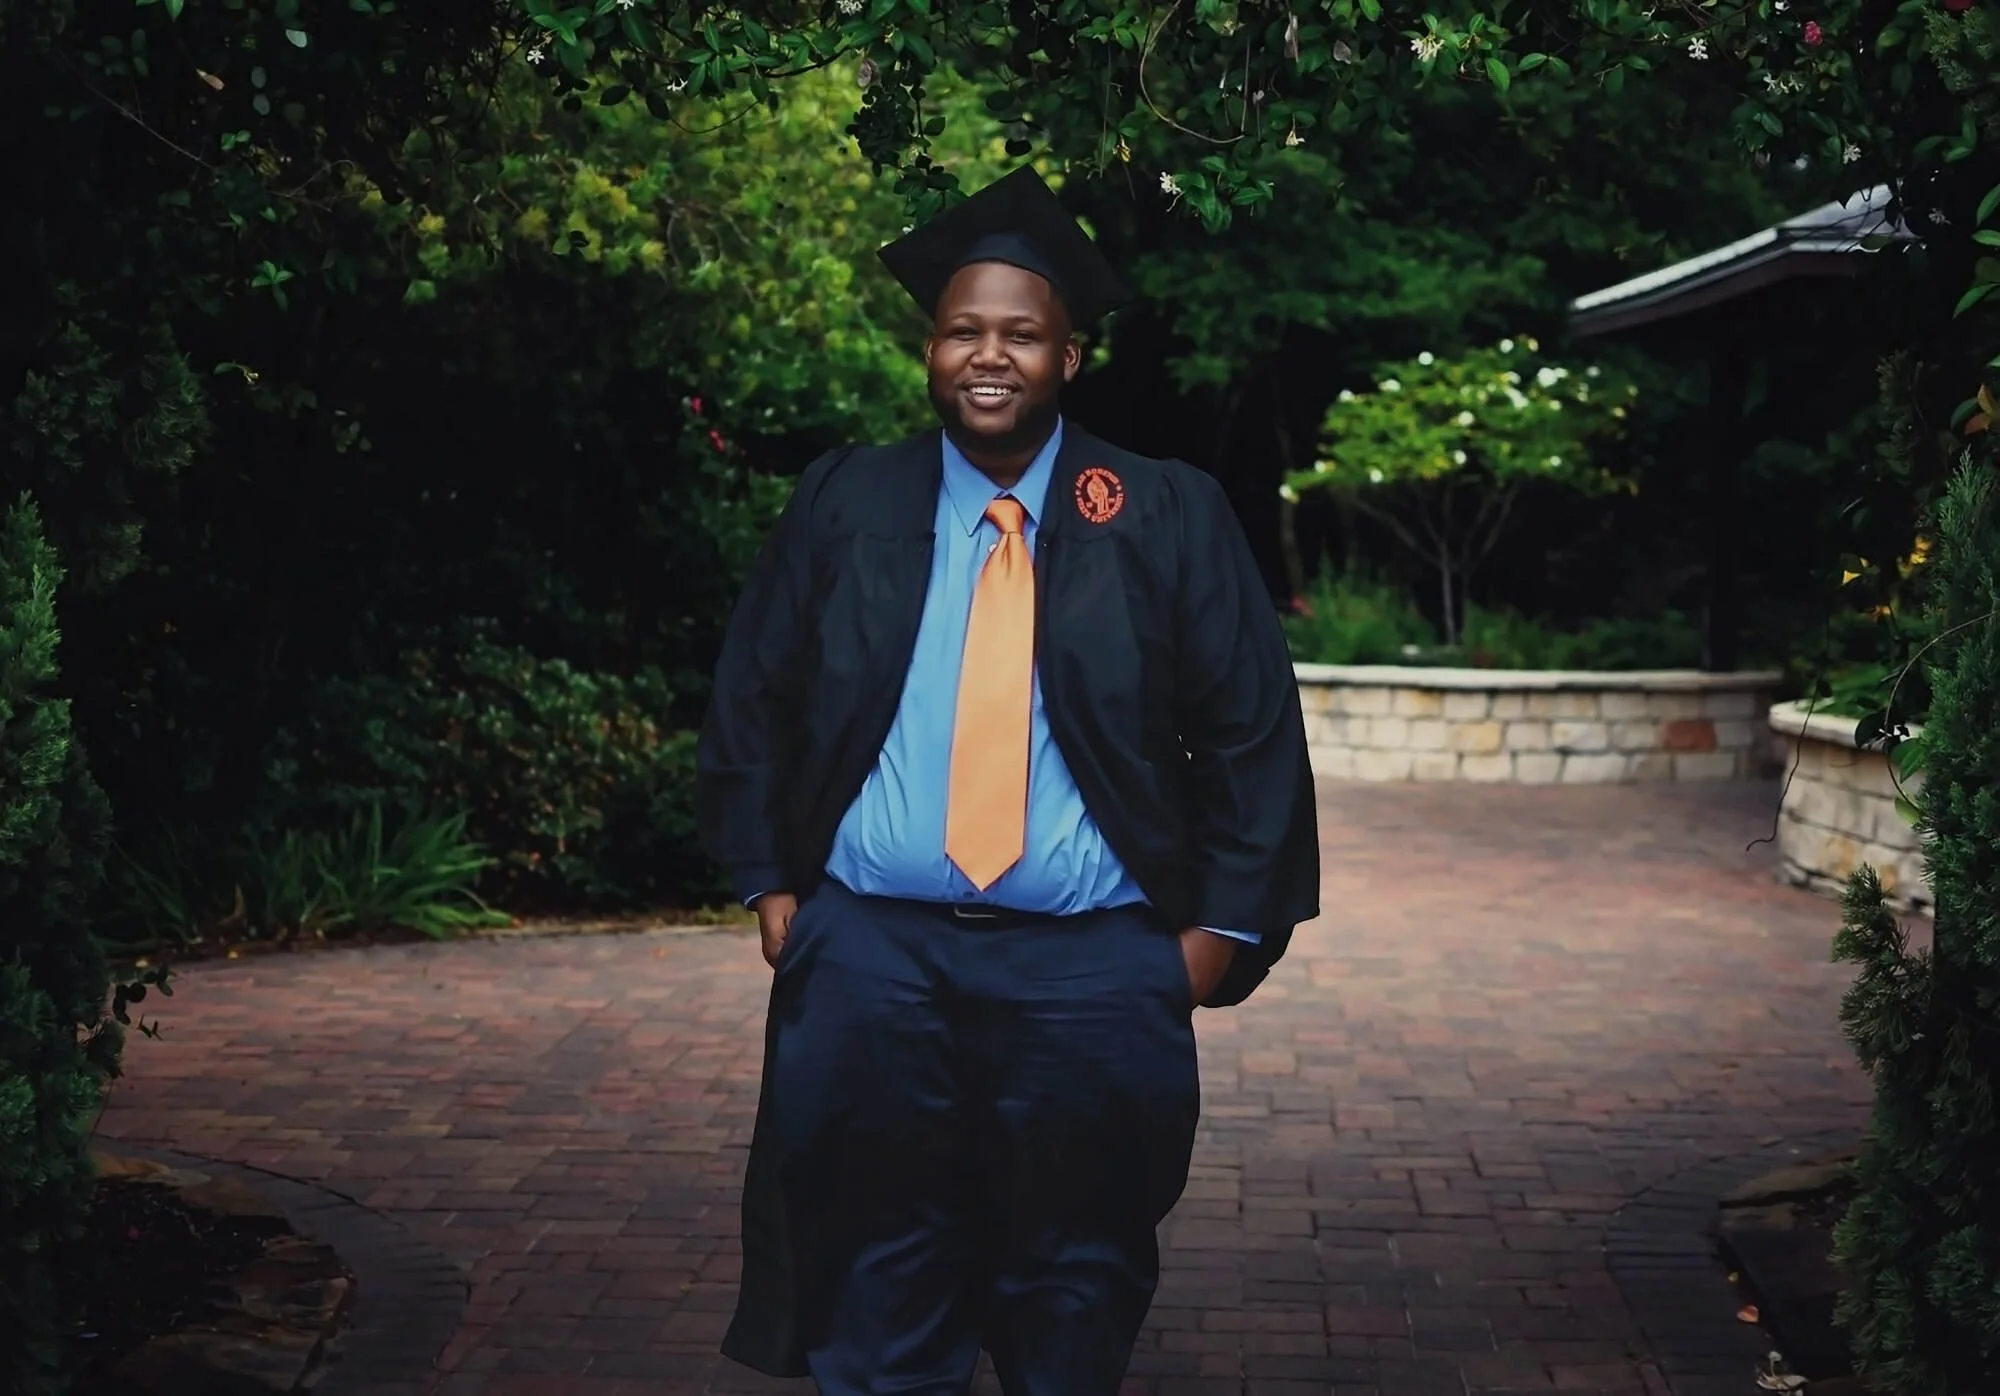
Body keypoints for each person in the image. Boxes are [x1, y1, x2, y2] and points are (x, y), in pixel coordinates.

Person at [696, 164, 1319, 1396]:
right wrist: (774, 892)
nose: (990, 355)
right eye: (963, 330)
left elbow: (1253, 734)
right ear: (930, 348)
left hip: (1088, 966)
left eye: (1020, 334)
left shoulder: (1162, 509)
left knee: (1072, 1280)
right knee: (872, 1262)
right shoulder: (845, 498)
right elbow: (751, 694)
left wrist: (1200, 946)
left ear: (1068, 356)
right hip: (874, 957)